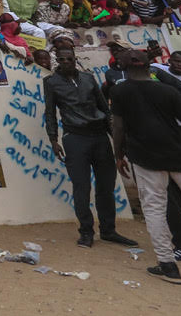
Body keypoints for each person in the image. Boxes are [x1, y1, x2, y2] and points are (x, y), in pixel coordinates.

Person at [111, 48, 181, 284]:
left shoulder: (120, 91)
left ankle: (168, 266)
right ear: (152, 66)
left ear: (124, 67)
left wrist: (119, 155)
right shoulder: (169, 91)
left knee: (155, 209)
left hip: (145, 157)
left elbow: (118, 126)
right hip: (179, 154)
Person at [43, 43, 136, 248]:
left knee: (106, 186)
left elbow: (104, 108)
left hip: (99, 136)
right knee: (81, 187)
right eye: (62, 59)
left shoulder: (88, 78)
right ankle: (86, 231)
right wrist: (53, 139)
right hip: (75, 137)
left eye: (70, 58)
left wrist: (116, 141)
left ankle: (108, 230)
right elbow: (50, 112)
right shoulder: (51, 82)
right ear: (57, 60)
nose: (67, 62)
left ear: (75, 59)